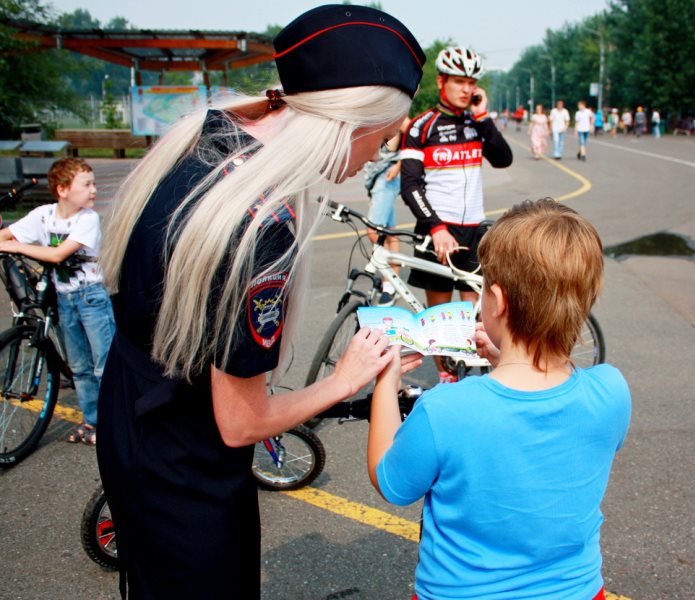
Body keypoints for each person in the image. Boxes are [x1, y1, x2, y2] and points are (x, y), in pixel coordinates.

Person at [95, 5, 425, 598]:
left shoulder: (210, 132)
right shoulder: (261, 224)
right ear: (348, 123)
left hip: (133, 408)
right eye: (384, 134)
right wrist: (345, 377)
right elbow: (241, 421)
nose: (378, 152)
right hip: (184, 461)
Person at [367, 198, 631, 600]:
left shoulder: (446, 409)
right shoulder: (611, 391)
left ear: (499, 301)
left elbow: (391, 482)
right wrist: (501, 360)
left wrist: (384, 385)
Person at [400, 45, 512, 384]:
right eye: (459, 81)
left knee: (476, 319)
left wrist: (484, 119)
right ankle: (447, 379)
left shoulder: (476, 123)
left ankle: (480, 382)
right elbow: (410, 184)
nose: (467, 89)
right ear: (441, 81)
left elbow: (503, 158)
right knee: (440, 318)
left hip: (473, 231)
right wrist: (435, 228)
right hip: (437, 231)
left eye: (472, 82)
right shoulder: (422, 126)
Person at [0, 157, 115, 447]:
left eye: (93, 184)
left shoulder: (87, 219)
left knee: (105, 366)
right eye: (86, 184)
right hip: (65, 299)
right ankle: (92, 421)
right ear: (63, 189)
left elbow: (56, 255)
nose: (93, 190)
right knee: (79, 368)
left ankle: (114, 425)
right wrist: (6, 239)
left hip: (91, 299)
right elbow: (7, 235)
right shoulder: (43, 216)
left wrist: (10, 244)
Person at [363, 117, 410, 306]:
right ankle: (391, 284)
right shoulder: (381, 113)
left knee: (373, 231)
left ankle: (389, 274)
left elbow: (412, 134)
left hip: (386, 178)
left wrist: (399, 165)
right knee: (389, 233)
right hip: (378, 178)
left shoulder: (397, 114)